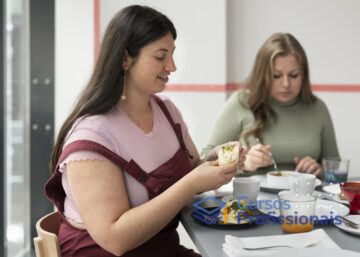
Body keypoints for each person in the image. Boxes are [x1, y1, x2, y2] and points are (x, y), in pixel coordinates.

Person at [45, 5, 245, 257]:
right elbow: (115, 240)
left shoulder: (167, 112)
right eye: (160, 57)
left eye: (172, 55)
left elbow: (193, 172)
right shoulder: (91, 137)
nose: (171, 66)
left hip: (162, 250)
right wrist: (192, 183)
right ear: (125, 58)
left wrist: (215, 163)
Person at [202, 32, 339, 177]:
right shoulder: (241, 102)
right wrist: (243, 164)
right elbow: (204, 160)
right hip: (252, 198)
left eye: (293, 75)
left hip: (307, 197)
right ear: (262, 75)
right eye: (276, 76)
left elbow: (336, 170)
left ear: (304, 75)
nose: (286, 84)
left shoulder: (318, 108)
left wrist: (320, 171)